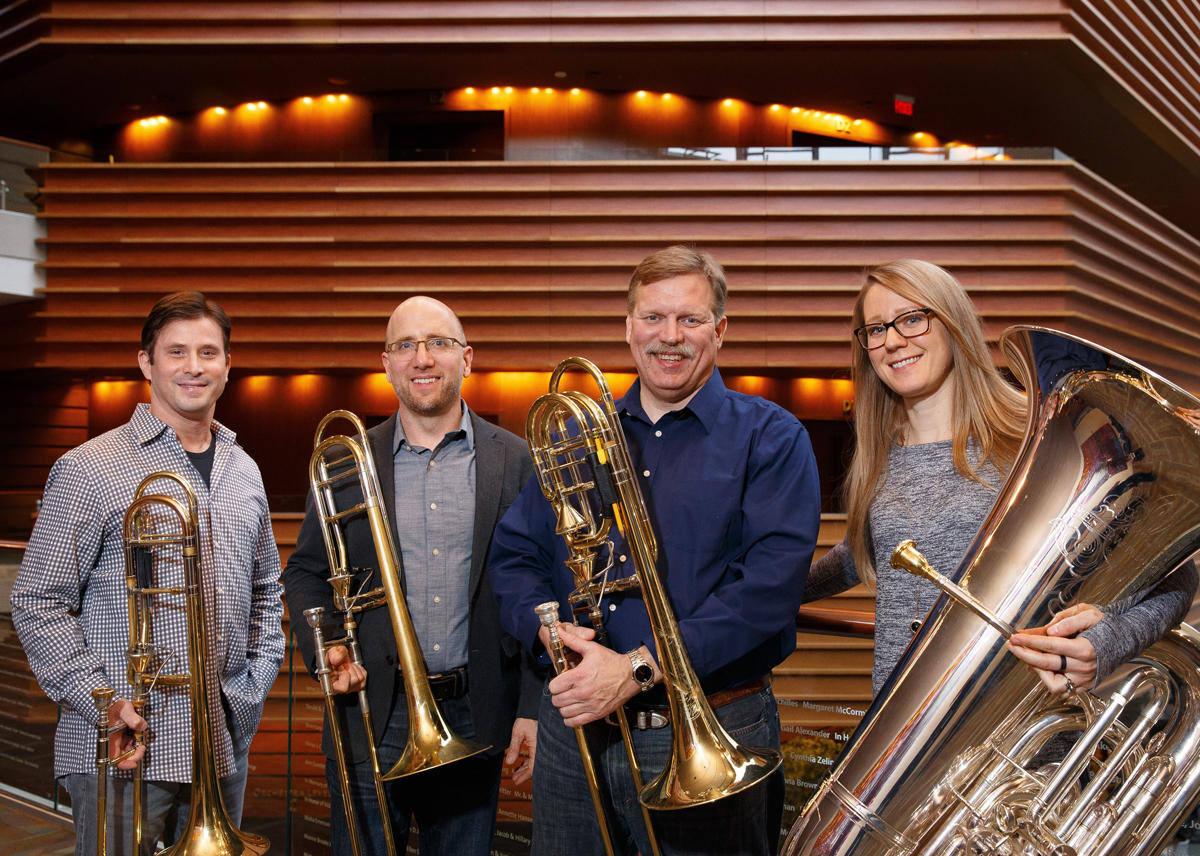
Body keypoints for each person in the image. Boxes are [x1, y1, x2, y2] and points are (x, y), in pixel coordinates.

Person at [488, 245, 822, 856]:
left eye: (690, 320)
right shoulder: (575, 435)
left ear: (719, 331)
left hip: (713, 724)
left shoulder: (771, 437)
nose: (669, 337)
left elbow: (767, 590)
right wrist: (547, 629)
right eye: (652, 318)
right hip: (578, 734)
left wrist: (638, 667)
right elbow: (514, 557)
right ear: (628, 326)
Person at [803, 258, 1197, 697]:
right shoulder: (880, 455)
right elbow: (865, 553)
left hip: (1024, 722)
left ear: (952, 324)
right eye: (876, 329)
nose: (893, 341)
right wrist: (753, 592)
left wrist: (1109, 642)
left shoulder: (1034, 437)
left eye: (912, 319)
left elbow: (1175, 578)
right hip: (906, 724)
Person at [12, 291, 286, 855]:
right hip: (125, 742)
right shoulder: (90, 468)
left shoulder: (244, 469)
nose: (193, 367)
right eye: (176, 352)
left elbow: (265, 592)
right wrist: (102, 699)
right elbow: (38, 601)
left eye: (208, 352)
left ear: (227, 366)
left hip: (220, 740)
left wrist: (250, 690)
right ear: (146, 363)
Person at [282, 296, 541, 856]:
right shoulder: (344, 460)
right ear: (387, 363)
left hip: (478, 712)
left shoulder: (515, 459)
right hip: (372, 710)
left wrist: (531, 707)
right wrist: (324, 645)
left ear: (467, 359)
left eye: (438, 343)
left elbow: (539, 588)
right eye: (406, 345)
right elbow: (304, 571)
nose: (422, 358)